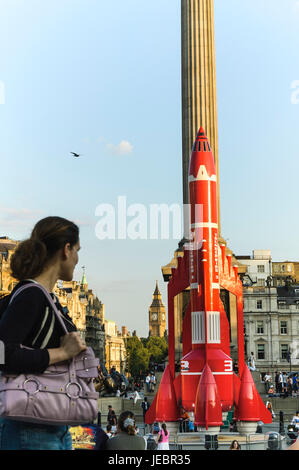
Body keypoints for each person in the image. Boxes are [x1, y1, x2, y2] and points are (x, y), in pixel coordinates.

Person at [0, 217, 86, 450]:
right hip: (30, 426)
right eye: (77, 250)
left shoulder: (47, 298)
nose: (78, 259)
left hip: (52, 422)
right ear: (66, 250)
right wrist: (61, 352)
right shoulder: (32, 295)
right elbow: (3, 354)